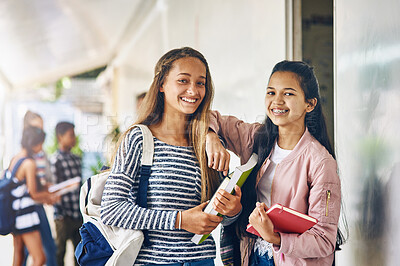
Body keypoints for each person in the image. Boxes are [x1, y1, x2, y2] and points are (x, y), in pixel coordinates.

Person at [100, 47, 242, 265]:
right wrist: (180, 220)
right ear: (162, 85)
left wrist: (232, 210)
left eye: (200, 83)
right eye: (183, 81)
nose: (193, 91)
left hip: (202, 261)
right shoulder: (139, 139)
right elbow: (112, 210)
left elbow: (220, 216)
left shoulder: (207, 143)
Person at [206, 60, 344, 265]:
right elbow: (209, 116)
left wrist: (276, 238)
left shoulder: (320, 162)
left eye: (288, 93)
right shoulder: (255, 137)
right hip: (252, 255)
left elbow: (324, 240)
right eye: (271, 92)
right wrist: (211, 138)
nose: (277, 101)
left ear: (310, 104)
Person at [10, 126, 59, 266]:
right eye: (40, 144)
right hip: (25, 214)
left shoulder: (16, 158)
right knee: (40, 258)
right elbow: (33, 193)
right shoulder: (29, 163)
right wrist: (50, 196)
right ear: (33, 143)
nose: (41, 148)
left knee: (19, 255)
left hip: (15, 213)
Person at [22, 110, 58, 266]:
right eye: (36, 129)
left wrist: (47, 190)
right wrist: (47, 197)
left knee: (42, 251)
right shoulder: (26, 160)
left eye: (41, 130)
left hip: (36, 207)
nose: (40, 134)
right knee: (34, 253)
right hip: (28, 209)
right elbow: (32, 192)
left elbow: (40, 184)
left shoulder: (41, 154)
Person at [50, 122, 82, 266]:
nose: (74, 138)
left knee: (80, 252)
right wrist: (60, 215)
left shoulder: (76, 159)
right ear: (60, 137)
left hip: (78, 214)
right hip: (63, 217)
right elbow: (54, 190)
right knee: (60, 252)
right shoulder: (55, 161)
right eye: (70, 135)